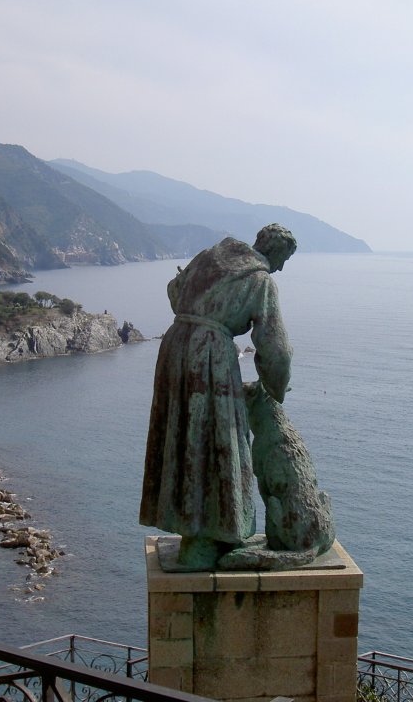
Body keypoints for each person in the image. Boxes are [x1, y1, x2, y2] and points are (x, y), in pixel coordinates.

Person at [139, 223, 297, 569]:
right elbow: (276, 348)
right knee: (216, 439)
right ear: (275, 253)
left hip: (175, 345)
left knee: (183, 436)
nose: (282, 268)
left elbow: (174, 290)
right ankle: (209, 537)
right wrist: (277, 386)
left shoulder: (213, 255)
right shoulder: (261, 281)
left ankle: (193, 532)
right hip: (210, 355)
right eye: (284, 259)